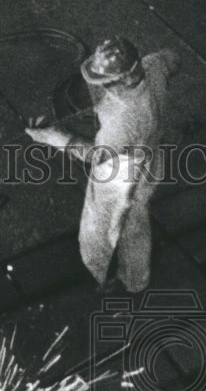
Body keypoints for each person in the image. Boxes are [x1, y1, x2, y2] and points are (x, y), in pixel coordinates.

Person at [25, 38, 180, 292]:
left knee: (127, 225)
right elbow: (172, 57)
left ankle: (134, 281)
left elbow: (96, 155)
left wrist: (54, 137)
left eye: (106, 82)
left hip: (127, 175)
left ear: (122, 80)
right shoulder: (153, 66)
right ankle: (130, 276)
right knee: (132, 219)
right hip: (150, 155)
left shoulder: (124, 121)